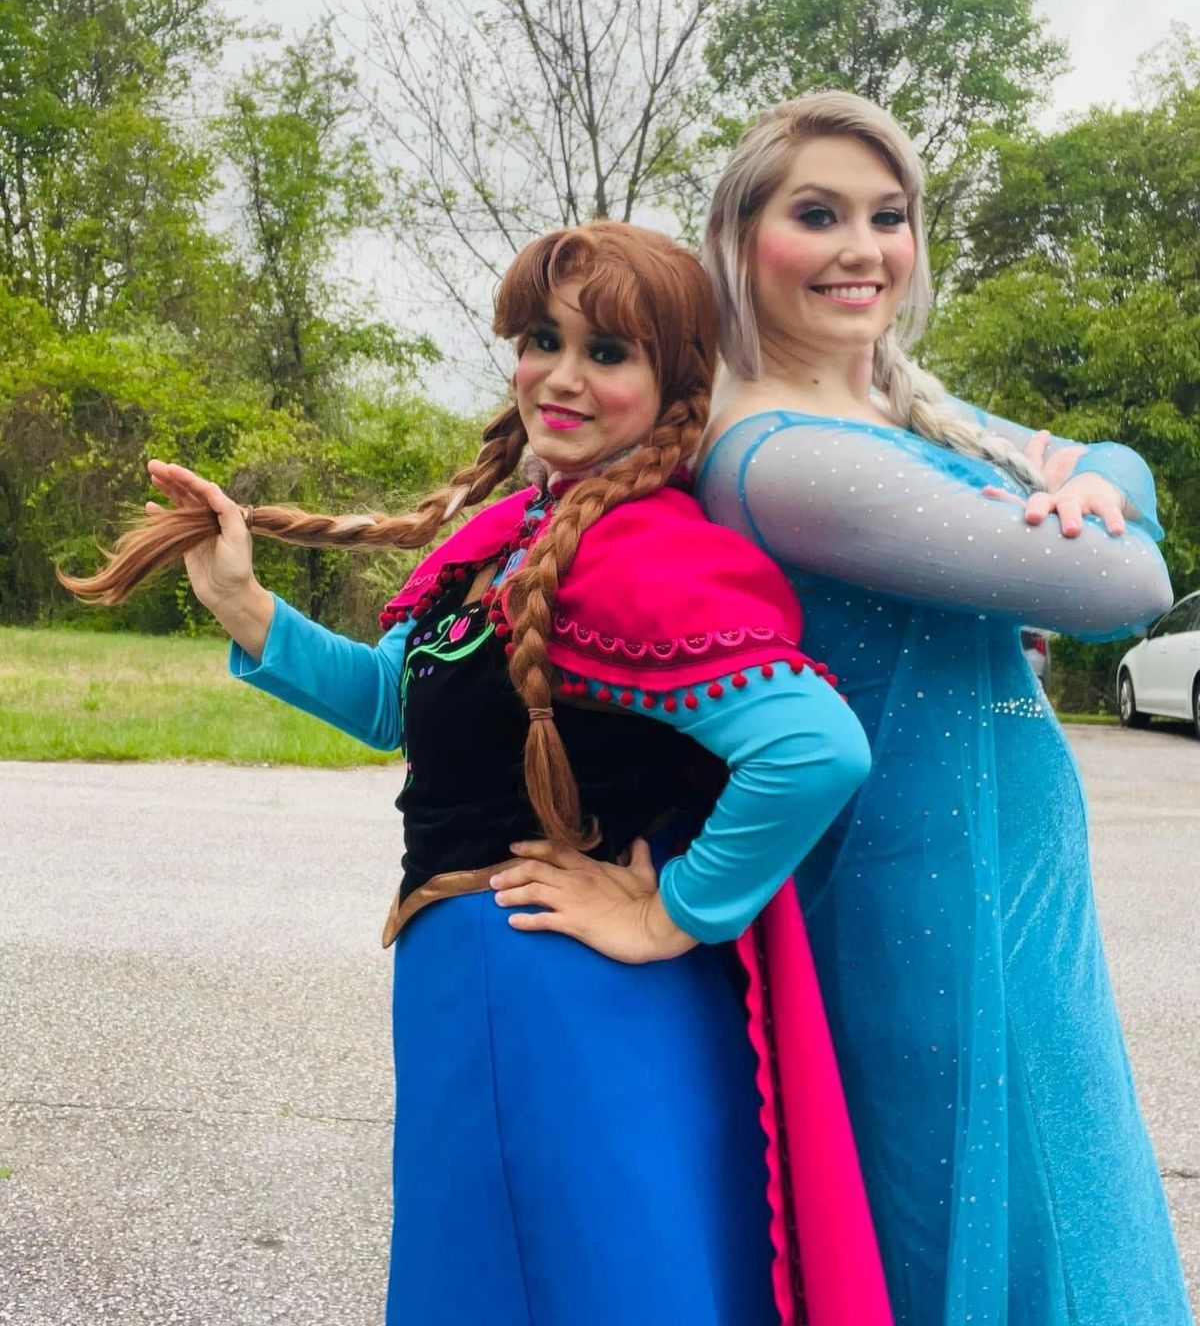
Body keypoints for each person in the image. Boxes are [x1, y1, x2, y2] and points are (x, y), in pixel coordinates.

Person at [61, 221, 889, 1326]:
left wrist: (675, 911)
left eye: (610, 352)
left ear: (677, 379)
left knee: (587, 1285)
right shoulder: (506, 532)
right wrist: (240, 600)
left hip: (563, 993)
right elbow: (392, 703)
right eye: (544, 338)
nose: (562, 375)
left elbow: (813, 747)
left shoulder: (651, 550)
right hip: (478, 988)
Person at [689, 92, 1192, 1325]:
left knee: (1070, 1202)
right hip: (922, 900)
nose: (863, 247)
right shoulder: (783, 455)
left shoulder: (900, 407)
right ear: (742, 238)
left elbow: (1117, 469)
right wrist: (1079, 492)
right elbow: (1125, 580)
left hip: (1012, 879)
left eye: (889, 215)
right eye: (819, 214)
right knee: (980, 1224)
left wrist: (1091, 479)